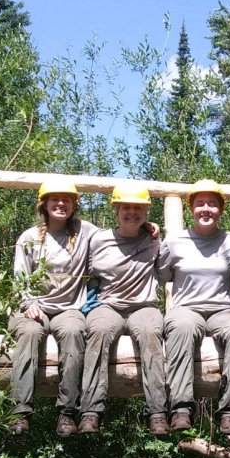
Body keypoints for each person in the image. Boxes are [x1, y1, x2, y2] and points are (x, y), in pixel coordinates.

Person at [157, 179, 230, 435]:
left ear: (221, 209)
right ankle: (181, 408)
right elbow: (162, 276)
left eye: (212, 204)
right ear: (191, 209)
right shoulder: (174, 240)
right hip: (187, 306)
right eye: (200, 204)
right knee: (179, 327)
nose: (206, 209)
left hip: (223, 307)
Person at [7, 178, 97, 437]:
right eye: (54, 199)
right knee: (30, 333)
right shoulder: (30, 237)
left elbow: (121, 232)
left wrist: (149, 225)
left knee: (73, 333)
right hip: (34, 307)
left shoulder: (85, 231)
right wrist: (28, 303)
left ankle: (67, 413)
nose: (60, 204)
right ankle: (21, 411)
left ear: (74, 205)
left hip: (70, 308)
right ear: (44, 204)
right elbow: (20, 277)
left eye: (66, 200)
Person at [77, 183, 168, 436]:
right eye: (126, 207)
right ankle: (90, 411)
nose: (132, 212)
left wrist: (155, 230)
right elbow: (82, 271)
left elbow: (163, 270)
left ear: (146, 211)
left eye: (138, 207)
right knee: (98, 331)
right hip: (108, 305)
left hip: (144, 305)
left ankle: (157, 412)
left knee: (151, 333)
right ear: (115, 210)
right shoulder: (98, 239)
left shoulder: (152, 237)